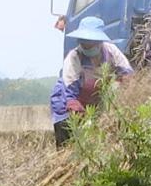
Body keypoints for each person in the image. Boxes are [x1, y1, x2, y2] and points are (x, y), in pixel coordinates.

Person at [49, 16, 134, 147]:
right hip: (66, 102)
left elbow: (127, 75)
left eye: (90, 43)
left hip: (93, 102)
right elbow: (71, 97)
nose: (87, 46)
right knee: (69, 142)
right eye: (84, 43)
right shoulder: (74, 58)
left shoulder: (111, 51)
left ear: (99, 42)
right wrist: (83, 119)